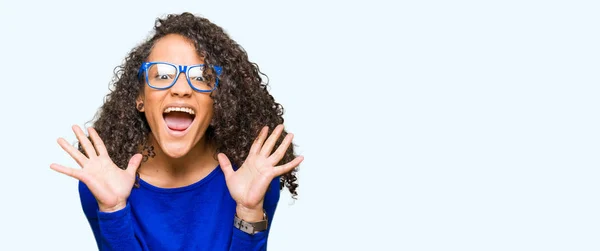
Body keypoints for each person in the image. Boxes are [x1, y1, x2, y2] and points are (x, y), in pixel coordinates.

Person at [50, 12, 303, 251]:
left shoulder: (252, 177)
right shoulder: (103, 182)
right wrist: (113, 209)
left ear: (219, 100)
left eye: (201, 77)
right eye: (162, 75)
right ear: (140, 97)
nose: (181, 89)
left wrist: (249, 211)